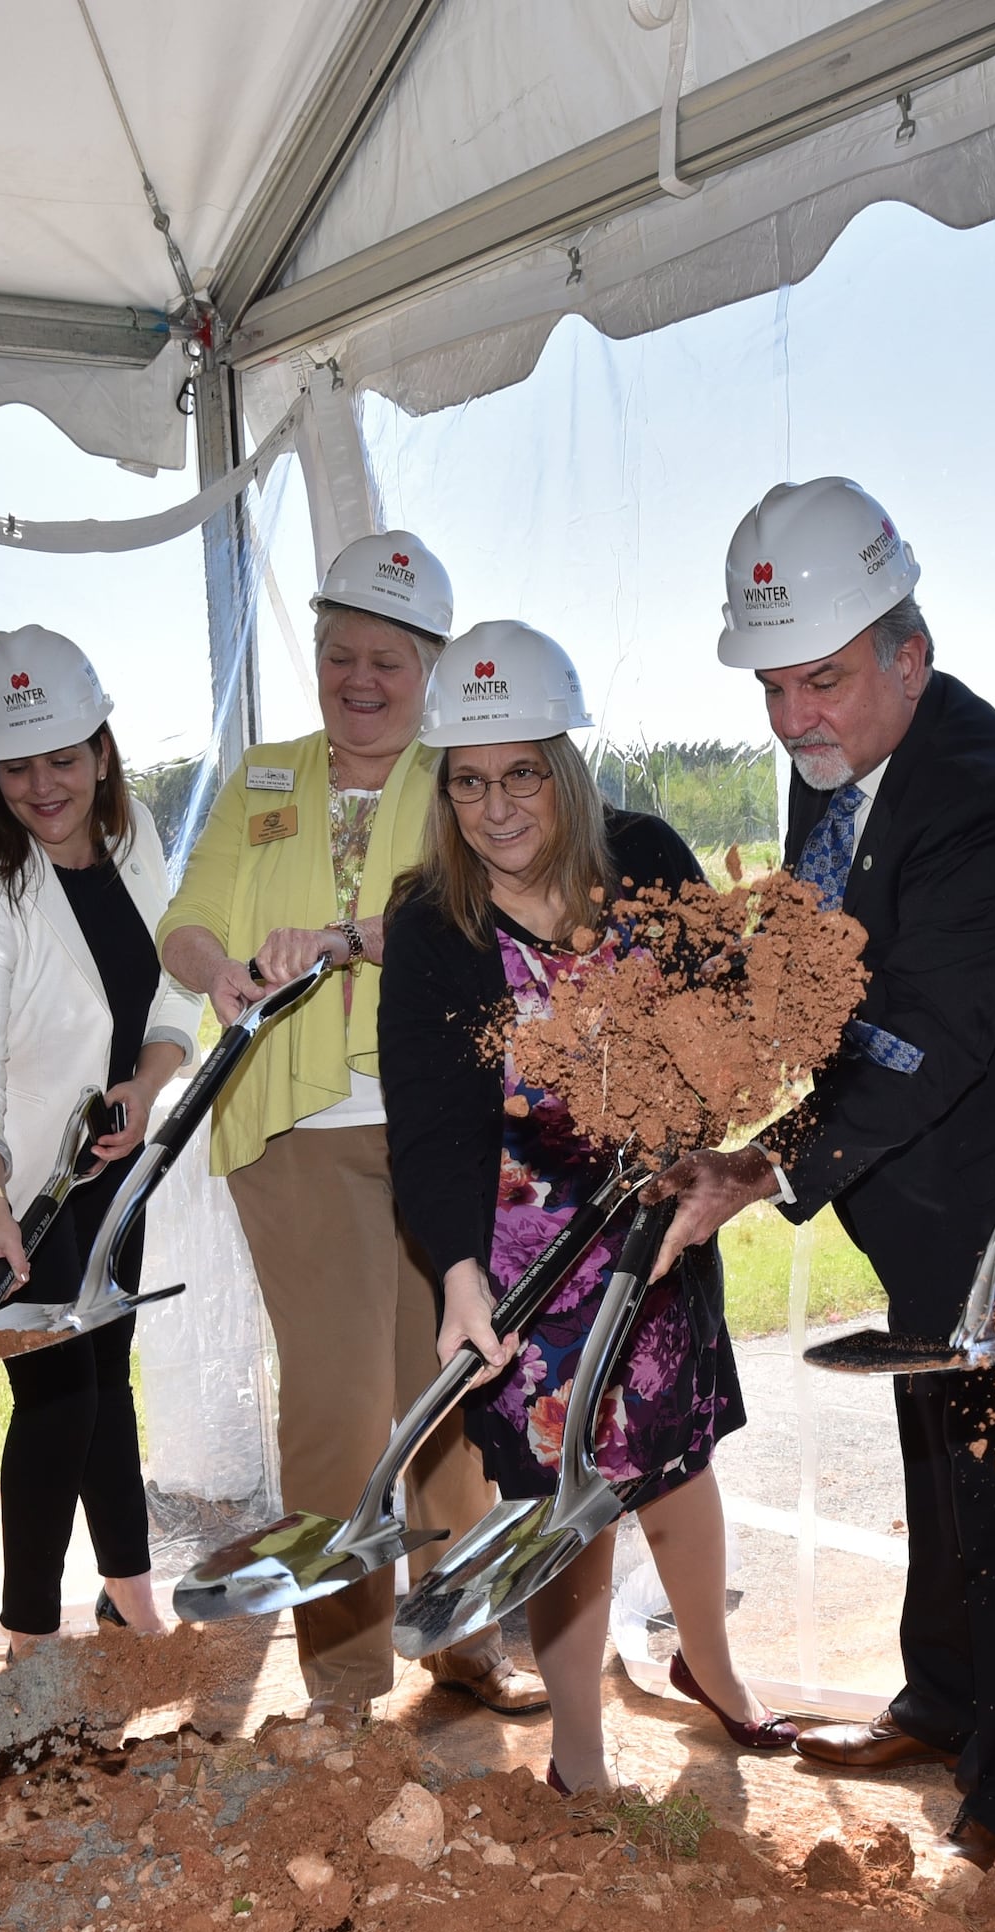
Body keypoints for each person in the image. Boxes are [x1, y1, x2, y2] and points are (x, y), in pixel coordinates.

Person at [662, 478, 995, 1873]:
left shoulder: (985, 802)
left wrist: (761, 1164)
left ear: (906, 655)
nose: (794, 716)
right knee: (944, 1465)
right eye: (773, 687)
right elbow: (810, 969)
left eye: (821, 681)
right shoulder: (848, 771)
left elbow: (923, 1037)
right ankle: (940, 1704)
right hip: (935, 1213)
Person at [378, 620, 794, 1787]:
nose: (496, 805)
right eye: (468, 780)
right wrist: (458, 1270)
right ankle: (579, 1754)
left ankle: (710, 1666)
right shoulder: (432, 927)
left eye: (519, 774)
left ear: (561, 766)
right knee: (561, 1499)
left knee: (676, 1462)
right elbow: (430, 1123)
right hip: (522, 1268)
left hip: (652, 1231)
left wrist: (696, 1130)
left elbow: (730, 1034)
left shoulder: (650, 860)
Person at [155, 529, 527, 1713]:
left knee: (456, 1392)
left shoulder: (472, 777)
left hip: (447, 1117)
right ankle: (346, 1681)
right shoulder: (265, 776)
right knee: (338, 1405)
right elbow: (188, 921)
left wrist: (364, 939)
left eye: (390, 662)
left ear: (432, 671)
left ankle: (463, 1640)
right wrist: (217, 968)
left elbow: (501, 918)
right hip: (297, 1127)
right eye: (339, 658)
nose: (361, 682)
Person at [0, 626, 202, 1651]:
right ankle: (31, 1644)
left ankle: (132, 1599)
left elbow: (171, 990)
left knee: (104, 1366)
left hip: (103, 1156)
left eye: (63, 758)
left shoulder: (131, 841)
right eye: (17, 764)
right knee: (57, 1392)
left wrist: (146, 1084)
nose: (43, 784)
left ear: (102, 751)